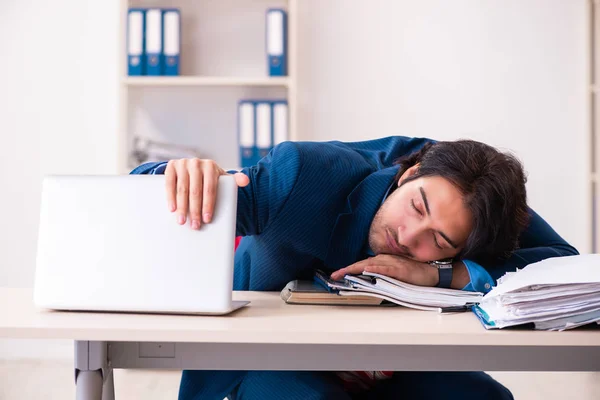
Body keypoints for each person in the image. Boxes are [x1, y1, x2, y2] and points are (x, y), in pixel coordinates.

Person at [131, 135, 578, 400]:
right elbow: (143, 201)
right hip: (276, 360)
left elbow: (565, 267)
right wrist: (172, 177)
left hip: (393, 362)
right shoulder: (303, 178)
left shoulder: (481, 204)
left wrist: (446, 274)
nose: (408, 236)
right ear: (409, 173)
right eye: (415, 207)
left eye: (438, 241)